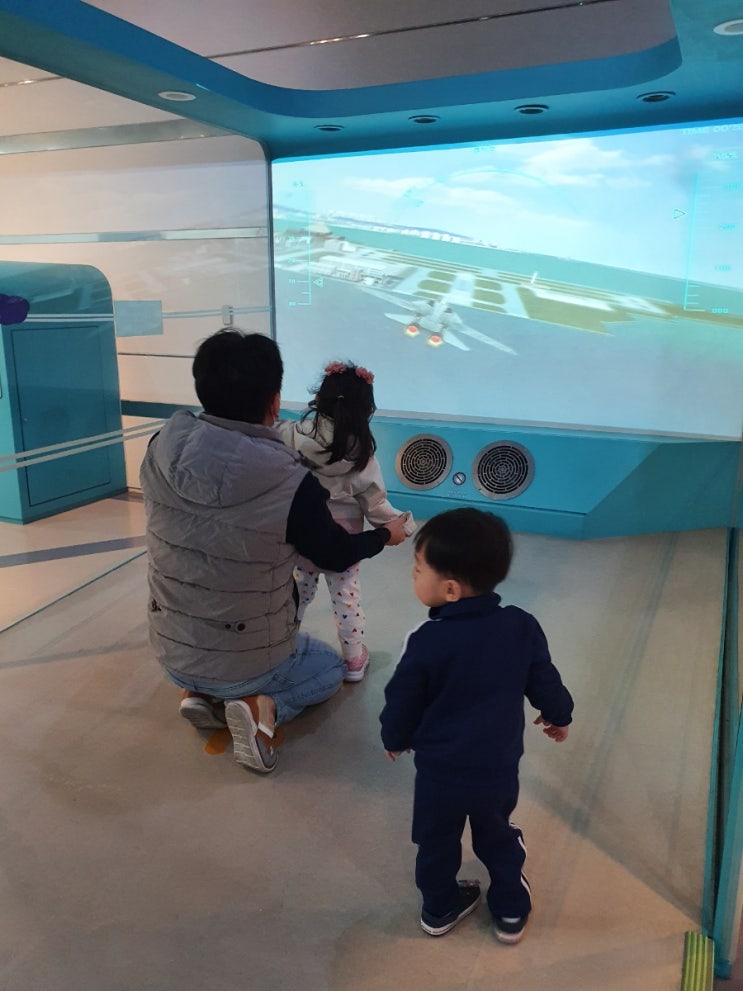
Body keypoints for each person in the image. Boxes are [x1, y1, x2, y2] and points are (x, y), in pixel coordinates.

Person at [140, 329, 408, 775]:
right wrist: (384, 536)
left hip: (171, 648)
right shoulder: (289, 481)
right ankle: (259, 707)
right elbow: (335, 554)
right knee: (328, 669)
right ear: (274, 399)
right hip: (244, 655)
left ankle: (198, 693)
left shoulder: (159, 445)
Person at [379, 508, 573, 944]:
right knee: (497, 835)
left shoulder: (425, 641)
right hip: (495, 770)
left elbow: (402, 698)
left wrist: (395, 737)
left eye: (417, 569)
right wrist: (559, 715)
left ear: (450, 589)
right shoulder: (521, 626)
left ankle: (438, 908)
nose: (412, 576)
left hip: (439, 774)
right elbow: (545, 680)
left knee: (436, 841)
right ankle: (510, 911)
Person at [276, 360, 415, 682]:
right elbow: (375, 503)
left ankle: (283, 645)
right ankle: (353, 660)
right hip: (346, 541)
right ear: (367, 411)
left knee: (298, 591)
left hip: (302, 535)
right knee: (346, 599)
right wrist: (401, 525)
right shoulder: (362, 454)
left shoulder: (292, 435)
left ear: (318, 399)